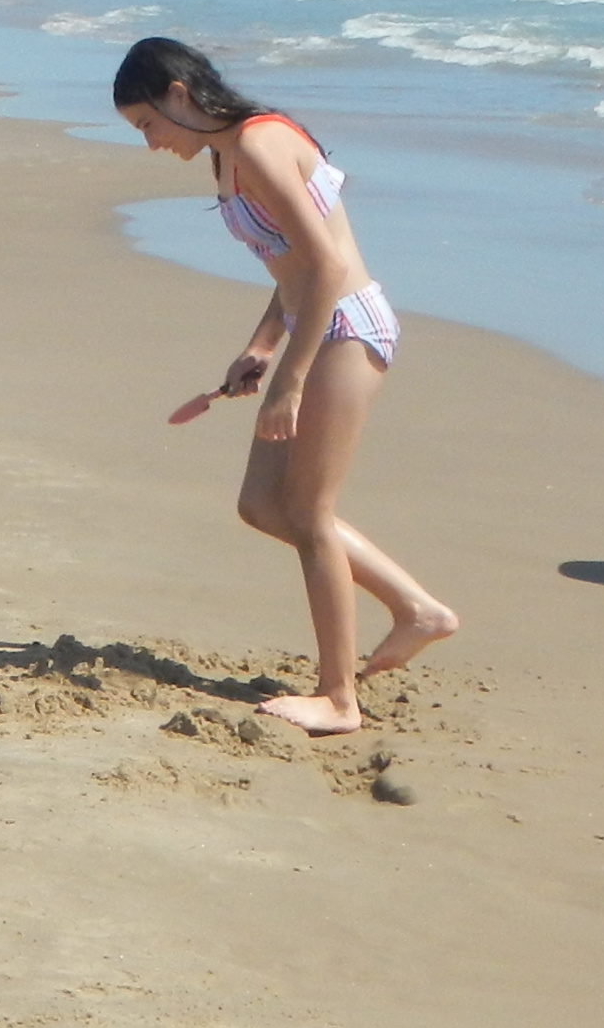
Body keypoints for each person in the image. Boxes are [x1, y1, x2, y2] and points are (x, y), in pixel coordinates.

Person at [114, 36, 458, 737]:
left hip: (346, 326)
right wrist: (262, 347)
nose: (150, 143)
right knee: (262, 504)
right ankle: (417, 610)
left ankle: (339, 698)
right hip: (314, 325)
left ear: (179, 94)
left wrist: (288, 384)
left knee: (307, 511)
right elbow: (293, 268)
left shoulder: (259, 145)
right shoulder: (228, 153)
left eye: (147, 123)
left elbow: (327, 267)